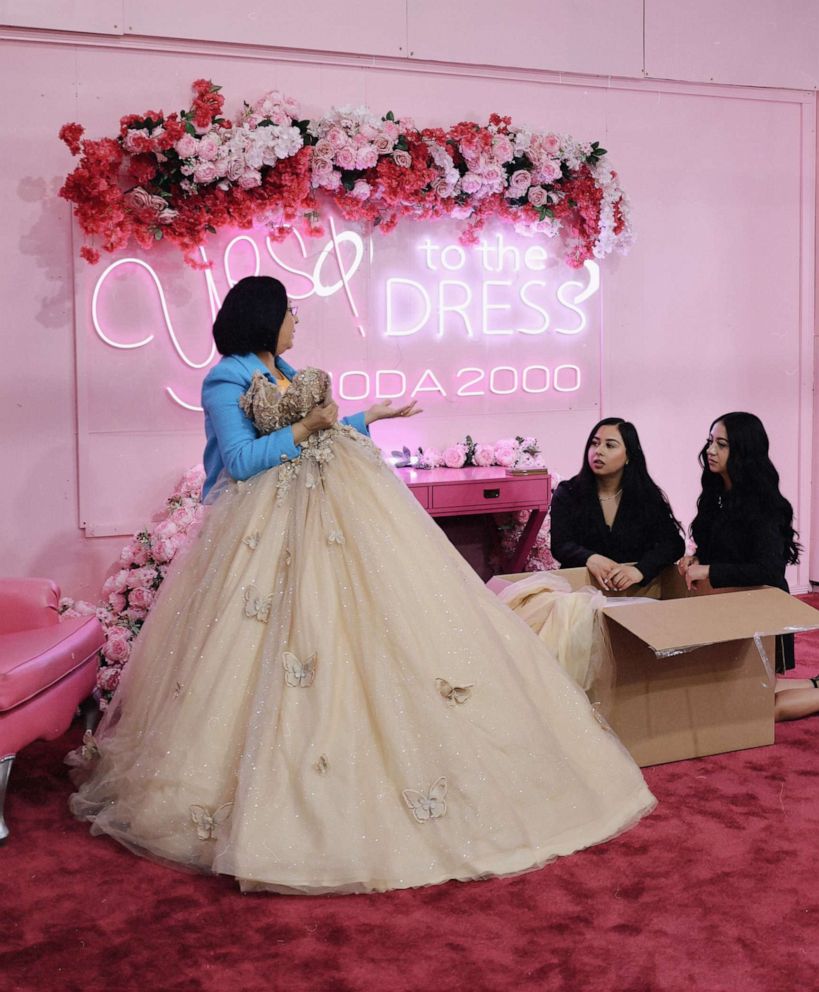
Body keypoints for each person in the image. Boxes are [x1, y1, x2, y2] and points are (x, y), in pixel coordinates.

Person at [69, 276, 654, 894]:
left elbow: (313, 427)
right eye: (290, 312)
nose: (297, 320)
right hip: (258, 534)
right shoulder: (225, 379)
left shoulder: (284, 367)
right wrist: (310, 428)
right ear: (263, 317)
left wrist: (363, 418)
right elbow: (240, 461)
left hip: (317, 520)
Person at [679, 412, 814, 722]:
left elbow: (769, 570)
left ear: (743, 451)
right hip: (731, 610)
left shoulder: (763, 504)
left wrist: (710, 571)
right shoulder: (716, 495)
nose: (711, 451)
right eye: (711, 441)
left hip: (764, 610)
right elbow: (719, 550)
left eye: (721, 444)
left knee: (755, 711)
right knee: (730, 694)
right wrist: (698, 558)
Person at [549, 418, 685, 591]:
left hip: (632, 594)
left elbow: (673, 544)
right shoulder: (568, 492)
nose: (598, 451)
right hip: (579, 592)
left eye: (610, 445)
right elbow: (560, 545)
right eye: (594, 443)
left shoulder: (645, 495)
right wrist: (590, 558)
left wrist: (640, 570)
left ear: (629, 455)